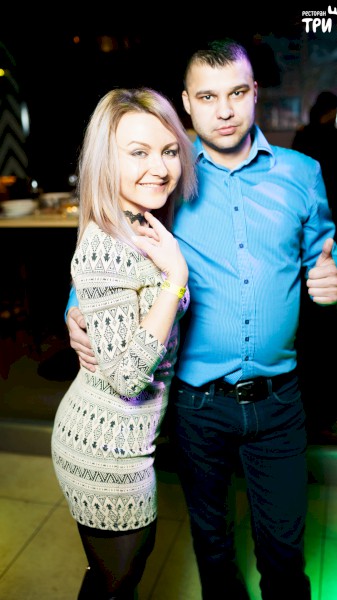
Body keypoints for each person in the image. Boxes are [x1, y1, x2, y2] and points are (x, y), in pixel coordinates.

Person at [66, 39, 337, 600]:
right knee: (213, 546)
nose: (224, 111)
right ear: (186, 103)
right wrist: (75, 309)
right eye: (207, 97)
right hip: (197, 404)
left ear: (255, 94)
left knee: (284, 554)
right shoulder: (167, 174)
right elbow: (112, 248)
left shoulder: (302, 173)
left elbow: (325, 250)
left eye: (237, 93)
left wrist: (335, 276)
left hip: (279, 401)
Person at [52, 86, 197, 599]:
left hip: (129, 440)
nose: (159, 167)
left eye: (169, 151)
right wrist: (175, 279)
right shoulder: (107, 244)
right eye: (138, 152)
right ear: (105, 161)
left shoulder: (141, 224)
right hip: (105, 447)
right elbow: (128, 378)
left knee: (115, 581)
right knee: (116, 585)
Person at [292, 90, 337, 244]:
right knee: (336, 244)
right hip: (336, 200)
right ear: (333, 111)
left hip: (308, 199)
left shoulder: (303, 135)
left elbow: (295, 169)